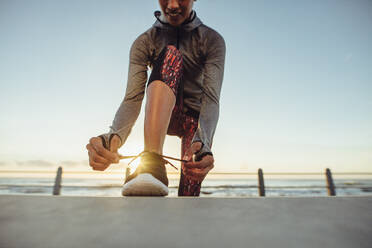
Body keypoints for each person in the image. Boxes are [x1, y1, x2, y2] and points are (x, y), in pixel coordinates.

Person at [86, 0, 225, 196]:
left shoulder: (211, 40)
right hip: (161, 114)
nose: (173, 5)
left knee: (190, 190)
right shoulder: (144, 42)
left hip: (194, 124)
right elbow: (132, 98)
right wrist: (112, 137)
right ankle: (152, 163)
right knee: (171, 54)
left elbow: (211, 98)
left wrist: (205, 144)